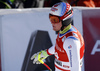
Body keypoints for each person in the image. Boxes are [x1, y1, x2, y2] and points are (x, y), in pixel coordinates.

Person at [31, 2, 85, 71]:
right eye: (50, 18)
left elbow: (76, 69)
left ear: (65, 20)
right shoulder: (64, 31)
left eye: (55, 20)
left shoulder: (71, 41)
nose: (52, 22)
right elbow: (60, 47)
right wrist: (45, 53)